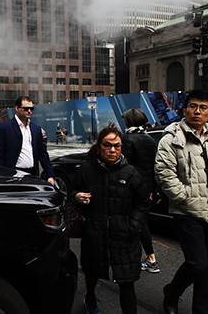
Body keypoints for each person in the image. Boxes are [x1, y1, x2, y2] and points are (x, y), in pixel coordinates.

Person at [155, 90, 208, 314]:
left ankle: (202, 310)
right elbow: (164, 173)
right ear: (184, 109)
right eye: (193, 106)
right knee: (197, 264)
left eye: (203, 108)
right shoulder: (171, 138)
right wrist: (184, 198)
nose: (198, 111)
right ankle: (172, 292)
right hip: (188, 212)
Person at [70, 125, 150, 314]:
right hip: (94, 233)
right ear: (99, 146)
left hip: (124, 236)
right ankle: (90, 297)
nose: (113, 150)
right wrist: (76, 196)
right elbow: (72, 190)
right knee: (92, 272)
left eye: (117, 146)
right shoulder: (86, 169)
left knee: (126, 282)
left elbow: (144, 203)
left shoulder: (130, 172)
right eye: (107, 145)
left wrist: (133, 225)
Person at [121, 108, 160, 273]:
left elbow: (125, 167)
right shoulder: (150, 139)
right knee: (141, 222)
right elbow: (156, 168)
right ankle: (149, 259)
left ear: (128, 122)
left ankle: (149, 259)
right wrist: (155, 190)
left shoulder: (127, 139)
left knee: (136, 223)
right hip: (147, 189)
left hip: (132, 189)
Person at [0, 96, 54, 185]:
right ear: (17, 108)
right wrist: (1, 177)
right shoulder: (4, 127)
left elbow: (43, 153)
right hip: (13, 175)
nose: (29, 111)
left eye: (31, 109)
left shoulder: (36, 129)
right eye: (26, 108)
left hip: (32, 174)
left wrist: (50, 175)